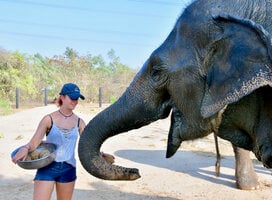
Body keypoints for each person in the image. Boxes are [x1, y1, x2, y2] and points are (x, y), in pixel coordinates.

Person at [12, 83, 114, 200]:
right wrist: (25, 148)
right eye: (72, 98)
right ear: (62, 97)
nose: (75, 101)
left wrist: (100, 155)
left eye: (77, 99)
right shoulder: (48, 119)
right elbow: (34, 142)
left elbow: (88, 146)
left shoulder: (80, 122)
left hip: (68, 168)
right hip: (47, 167)